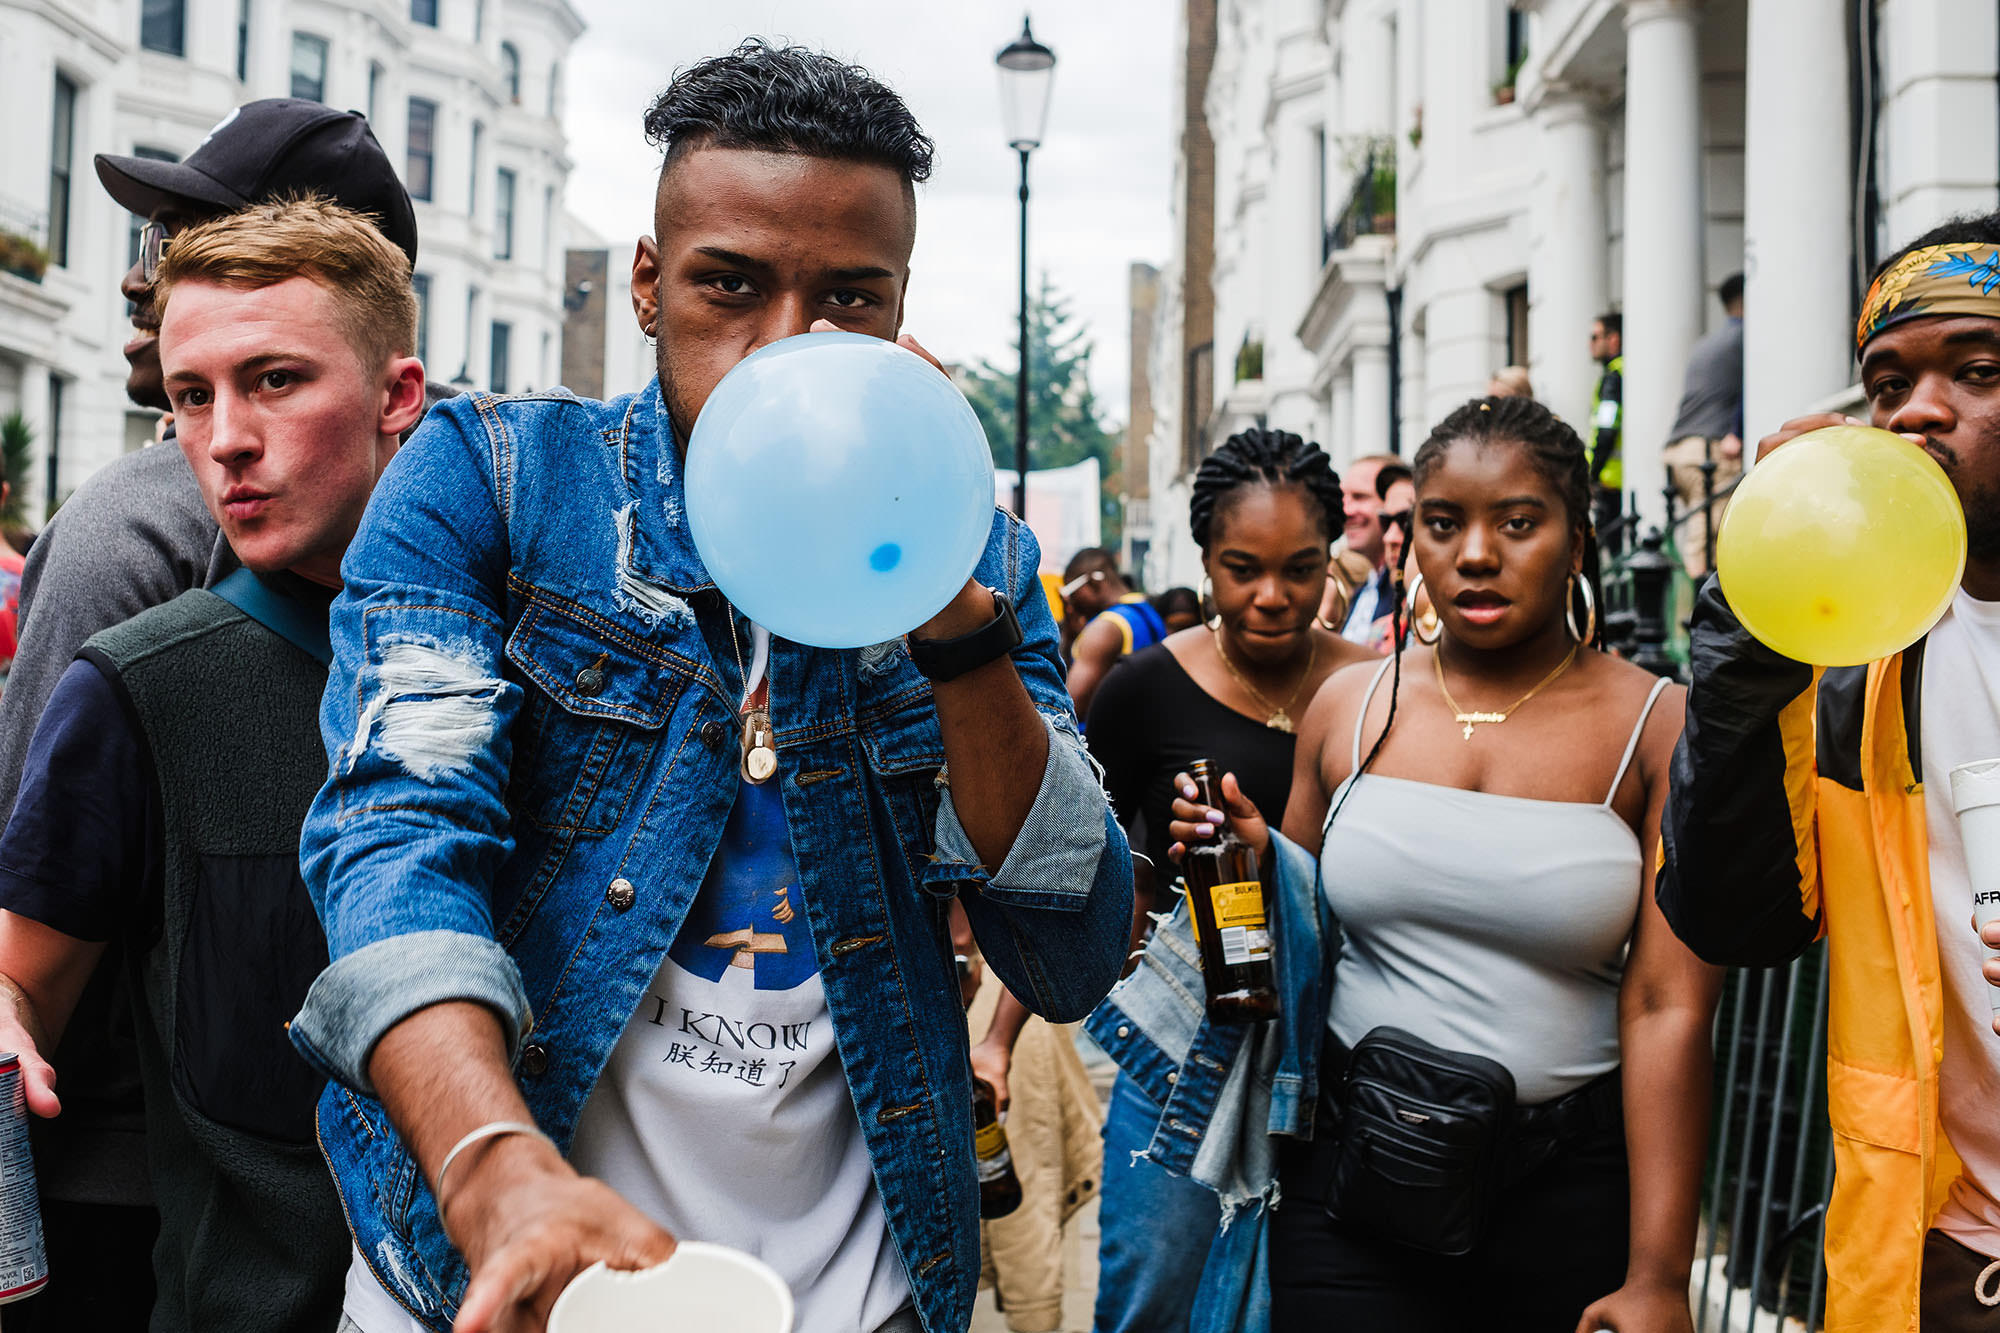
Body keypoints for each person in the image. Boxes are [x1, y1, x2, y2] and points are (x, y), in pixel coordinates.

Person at [288, 42, 1132, 1333]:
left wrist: (955, 628)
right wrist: (490, 1165)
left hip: (860, 1291)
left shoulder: (981, 561)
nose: (783, 347)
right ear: (647, 283)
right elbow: (397, 840)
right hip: (506, 1272)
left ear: (900, 314)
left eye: (850, 302)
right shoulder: (495, 486)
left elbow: (1066, 952)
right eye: (729, 285)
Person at [1101, 395, 1720, 1331]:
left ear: (1580, 540)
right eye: (1444, 523)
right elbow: (1300, 946)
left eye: (1518, 522)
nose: (1476, 552)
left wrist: (1661, 1273)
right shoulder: (1346, 707)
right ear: (1409, 545)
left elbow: (1668, 1004)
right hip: (1351, 1182)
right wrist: (1256, 860)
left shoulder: (1659, 726)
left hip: (1567, 1191)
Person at [0, 98, 417, 1333]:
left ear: (396, 387)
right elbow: (34, 913)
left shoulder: (545, 637)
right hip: (167, 1214)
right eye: (191, 394)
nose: (227, 438)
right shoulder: (143, 656)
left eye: (275, 378)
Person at [1657, 210, 2000, 1333]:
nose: (1916, 412)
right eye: (1885, 383)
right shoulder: (1862, 658)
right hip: (1936, 1266)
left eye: (1976, 369)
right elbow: (1737, 919)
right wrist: (1748, 625)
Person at [1078, 427, 1374, 1333]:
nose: (1273, 596)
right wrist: (1004, 1034)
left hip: (1342, 1050)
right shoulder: (1144, 689)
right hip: (1188, 1050)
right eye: (1242, 567)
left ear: (1334, 562)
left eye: (1302, 567)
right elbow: (1103, 866)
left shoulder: (1382, 691)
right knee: (1155, 1300)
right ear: (1204, 560)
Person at [1663, 272, 1746, 576]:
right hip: (1709, 449)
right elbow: (1748, 388)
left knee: (1703, 529)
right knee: (1710, 535)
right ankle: (1696, 613)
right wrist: (1736, 432)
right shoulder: (1744, 338)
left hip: (1678, 450)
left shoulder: (1705, 345)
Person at [1064, 550, 1166, 717]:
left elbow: (1071, 707)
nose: (1071, 603)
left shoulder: (1105, 627)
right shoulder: (1147, 613)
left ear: (1094, 583)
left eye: (1071, 593)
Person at [1327, 453, 1400, 644]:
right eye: (1344, 499)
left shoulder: (1407, 594)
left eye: (1359, 497)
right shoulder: (1363, 590)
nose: (1346, 511)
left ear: (1392, 503)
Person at [1589, 311, 1625, 548]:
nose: (1590, 344)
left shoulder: (1614, 377)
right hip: (1617, 479)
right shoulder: (1620, 372)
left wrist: (1592, 474)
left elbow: (1606, 427)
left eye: (1595, 337)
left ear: (1614, 339)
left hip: (1612, 481)